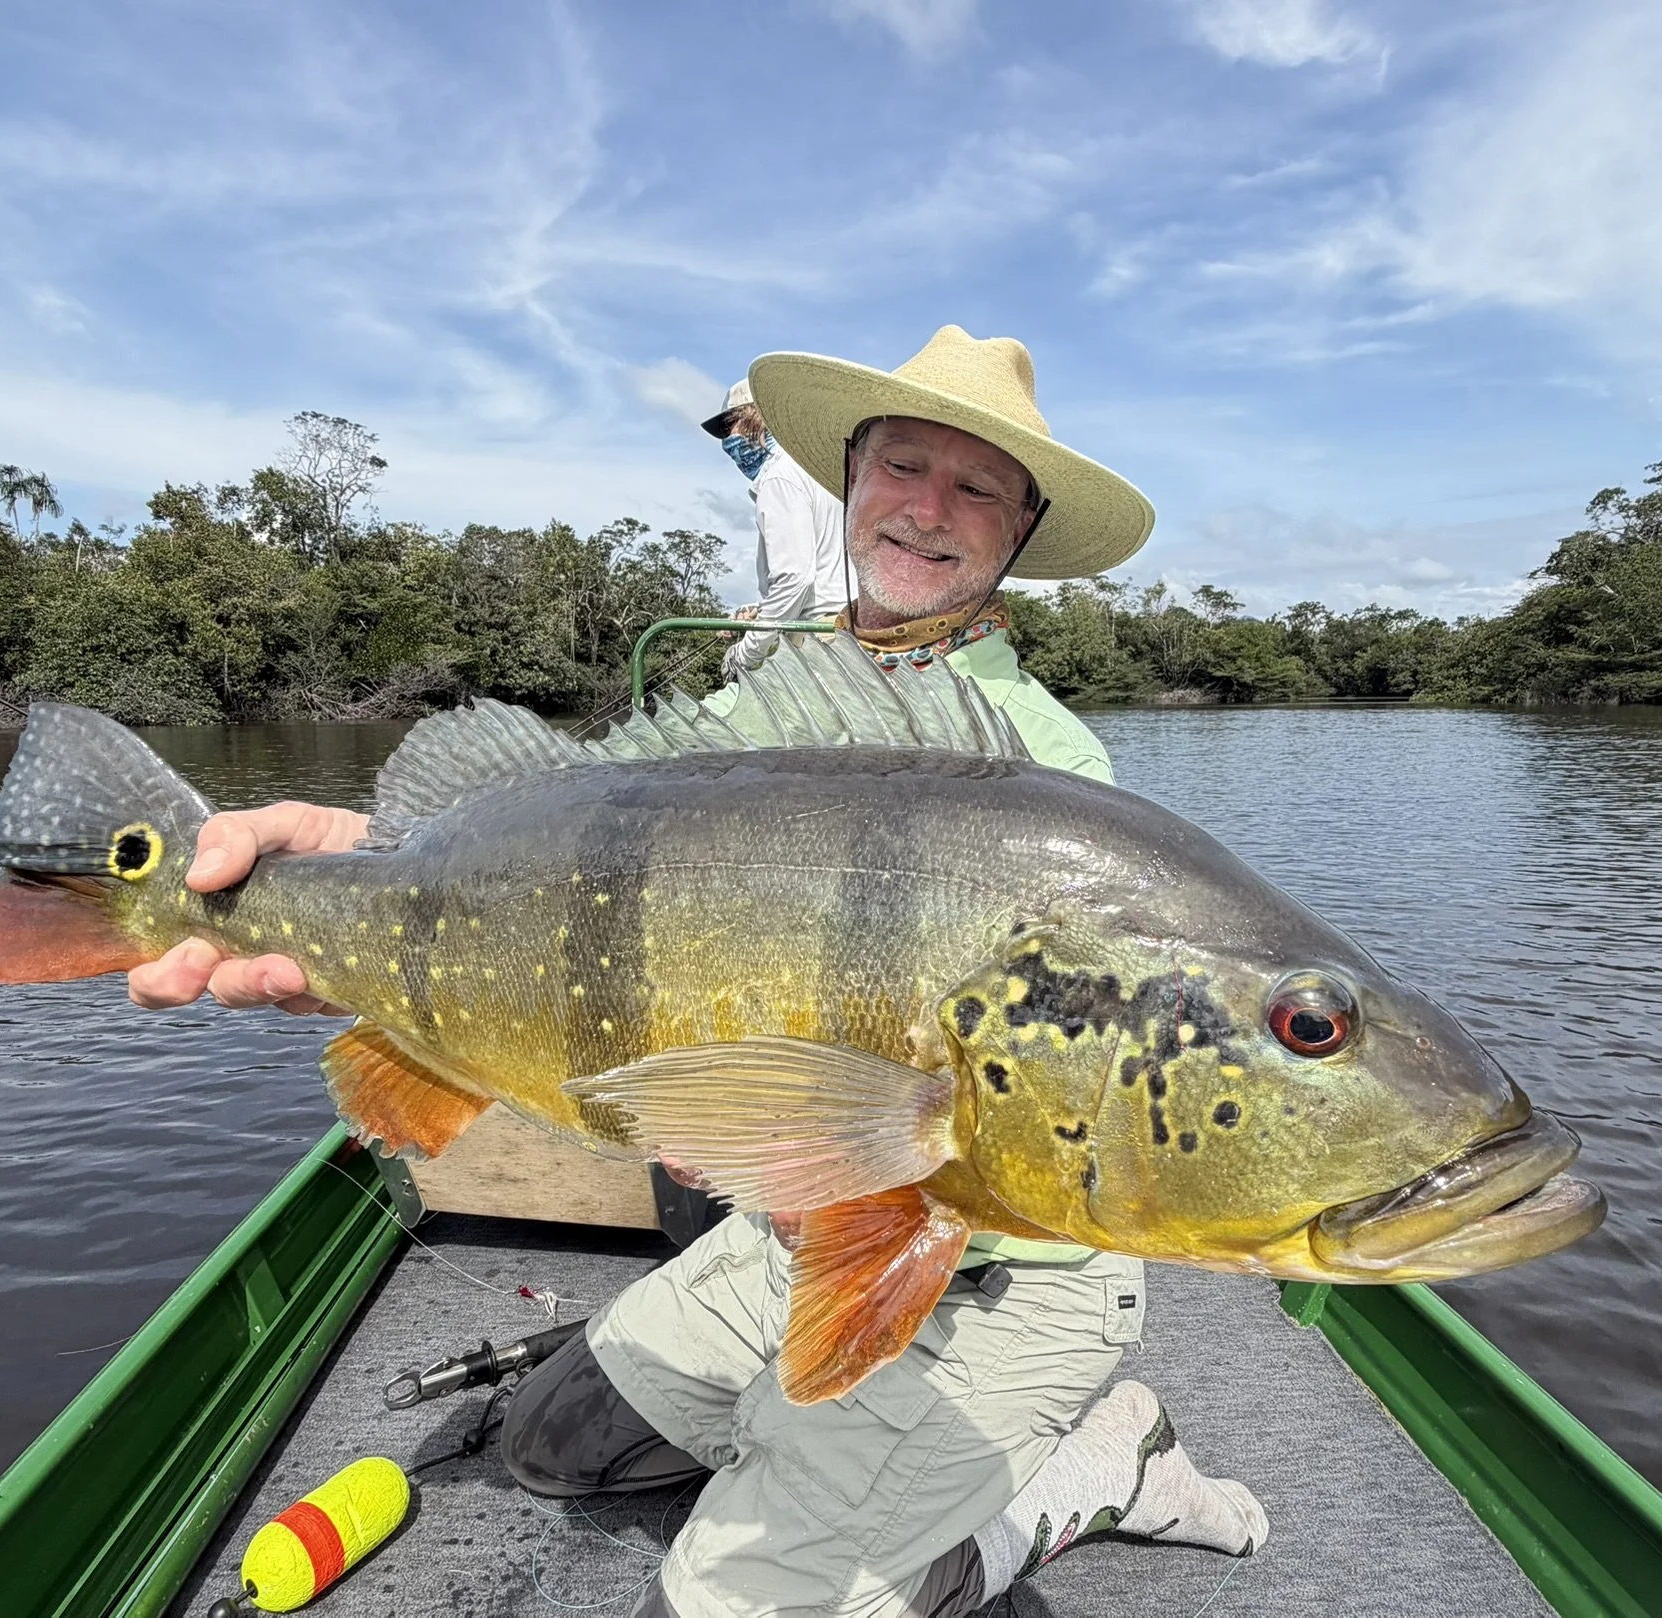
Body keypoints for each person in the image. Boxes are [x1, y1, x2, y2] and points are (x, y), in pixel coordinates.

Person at [125, 325, 1267, 1618]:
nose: (930, 509)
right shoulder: (755, 720)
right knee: (547, 1449)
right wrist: (364, 887)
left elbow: (966, 1131)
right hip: (799, 1232)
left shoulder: (1052, 790)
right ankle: (880, 1466)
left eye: (978, 486)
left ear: (1021, 528)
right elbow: (563, 889)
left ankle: (1075, 1473)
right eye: (904, 466)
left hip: (993, 1272)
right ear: (850, 480)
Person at [701, 377, 849, 677]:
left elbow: (795, 578)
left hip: (818, 635)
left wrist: (744, 653)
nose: (728, 438)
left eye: (731, 424)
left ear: (758, 418)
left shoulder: (778, 479)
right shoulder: (816, 470)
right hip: (844, 627)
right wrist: (762, 609)